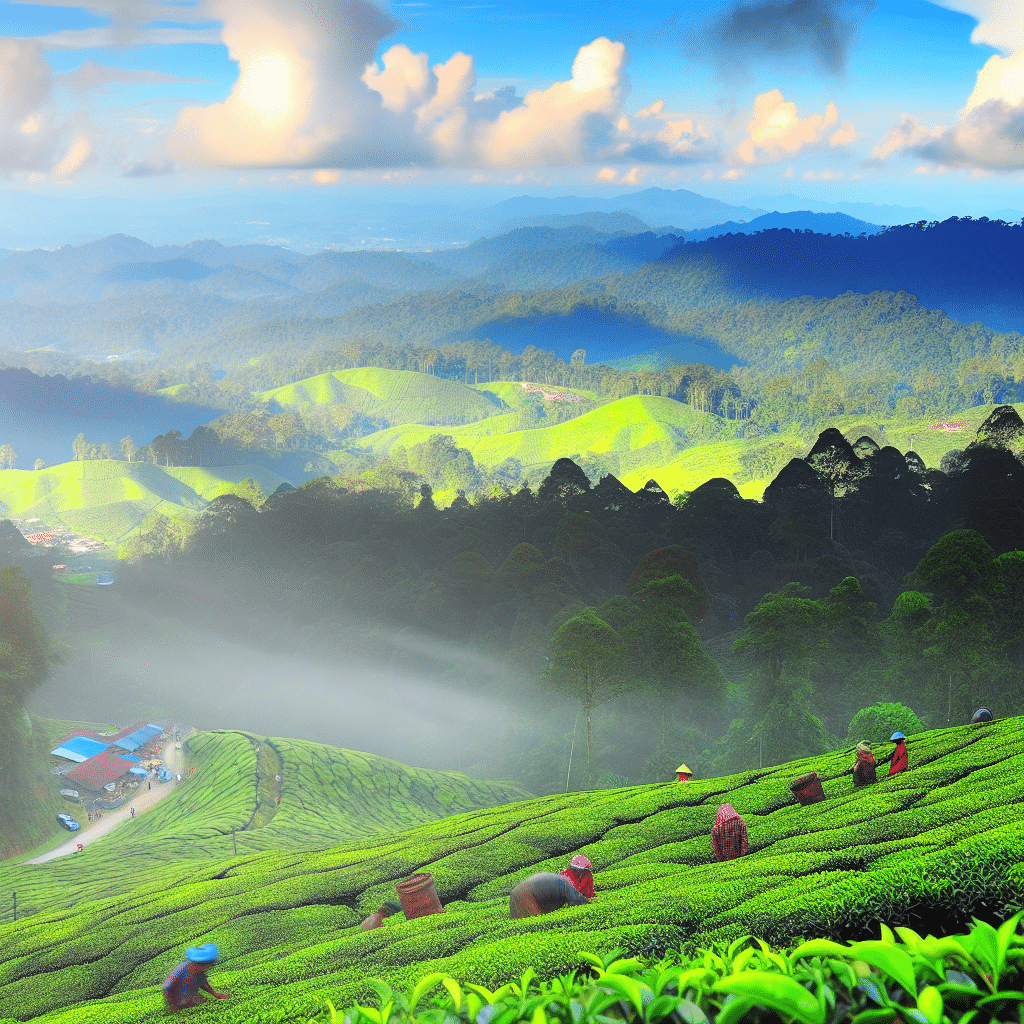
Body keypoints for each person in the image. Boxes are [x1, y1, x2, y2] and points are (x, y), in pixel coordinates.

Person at [162, 943, 231, 1013]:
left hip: (192, 997)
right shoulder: (181, 969)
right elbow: (167, 987)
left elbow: (203, 983)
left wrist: (215, 994)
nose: (206, 969)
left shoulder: (199, 972)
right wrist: (171, 1005)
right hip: (180, 1001)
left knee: (211, 1006)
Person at [509, 872, 591, 918]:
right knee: (537, 924)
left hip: (519, 891)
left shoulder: (561, 883)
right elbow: (578, 901)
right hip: (528, 892)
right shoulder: (564, 885)